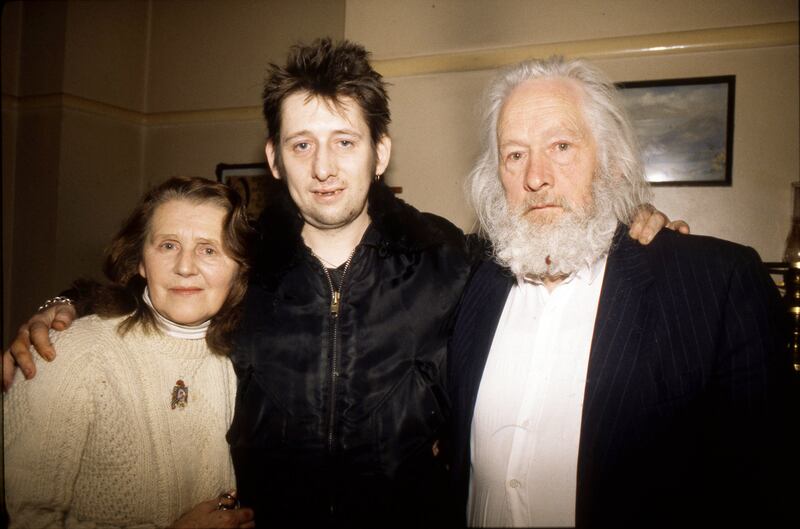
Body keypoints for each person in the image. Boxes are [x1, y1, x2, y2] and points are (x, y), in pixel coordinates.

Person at [4, 40, 682, 528]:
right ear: (274, 157)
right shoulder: (243, 263)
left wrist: (630, 235)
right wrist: (63, 304)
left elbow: (555, 262)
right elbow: (156, 290)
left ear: (380, 151)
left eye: (345, 142)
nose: (323, 166)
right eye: (302, 144)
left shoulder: (451, 261)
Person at [448, 57, 794, 528]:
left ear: (609, 163)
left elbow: (763, 487)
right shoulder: (469, 282)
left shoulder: (718, 283)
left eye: (562, 146)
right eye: (515, 154)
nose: (535, 177)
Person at [4, 177, 256, 528]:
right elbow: (25, 519)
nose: (185, 267)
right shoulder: (70, 353)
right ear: (140, 260)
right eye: (168, 246)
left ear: (239, 267)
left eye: (209, 249)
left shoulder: (251, 356)